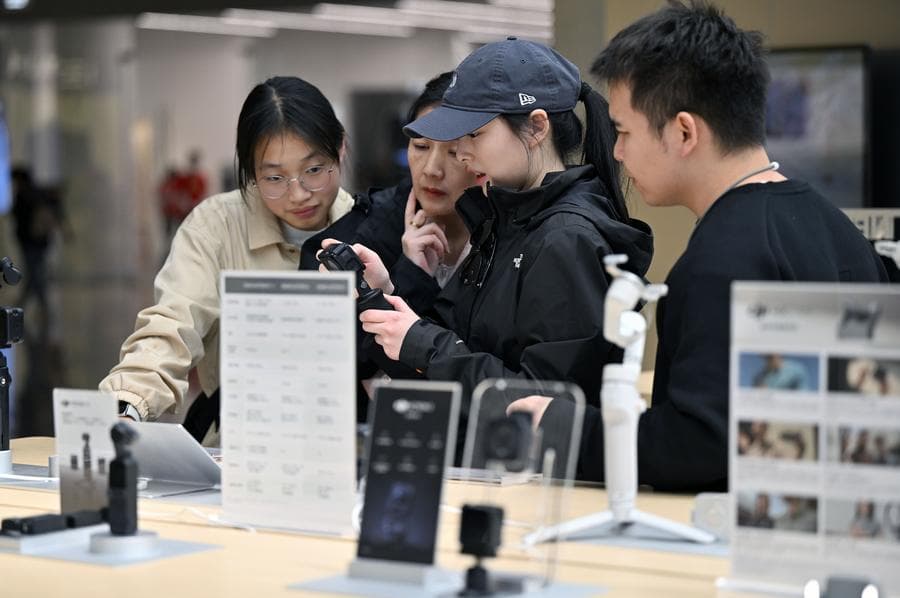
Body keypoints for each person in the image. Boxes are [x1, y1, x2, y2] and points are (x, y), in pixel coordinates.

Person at [508, 1, 888, 491]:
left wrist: (564, 428)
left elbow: (696, 447)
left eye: (624, 132)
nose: (617, 152)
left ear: (684, 131)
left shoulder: (722, 258)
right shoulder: (833, 225)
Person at [348, 38, 653, 414]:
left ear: (536, 127)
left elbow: (546, 403)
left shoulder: (566, 240)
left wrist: (424, 344)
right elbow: (449, 348)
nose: (461, 152)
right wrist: (383, 297)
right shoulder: (502, 223)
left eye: (474, 134)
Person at [100, 76, 365, 439]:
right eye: (275, 178)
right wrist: (128, 404)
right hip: (240, 447)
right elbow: (172, 326)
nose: (298, 194)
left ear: (341, 148)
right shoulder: (215, 227)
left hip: (347, 447)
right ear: (252, 171)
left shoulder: (371, 226)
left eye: (314, 170)